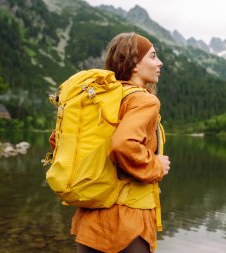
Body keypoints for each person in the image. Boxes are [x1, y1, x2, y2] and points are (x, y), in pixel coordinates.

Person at [66, 32, 171, 253]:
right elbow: (123, 144)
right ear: (134, 64)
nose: (159, 62)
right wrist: (156, 165)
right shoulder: (143, 99)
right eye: (152, 56)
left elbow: (61, 141)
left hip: (90, 221)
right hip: (127, 225)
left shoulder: (99, 99)